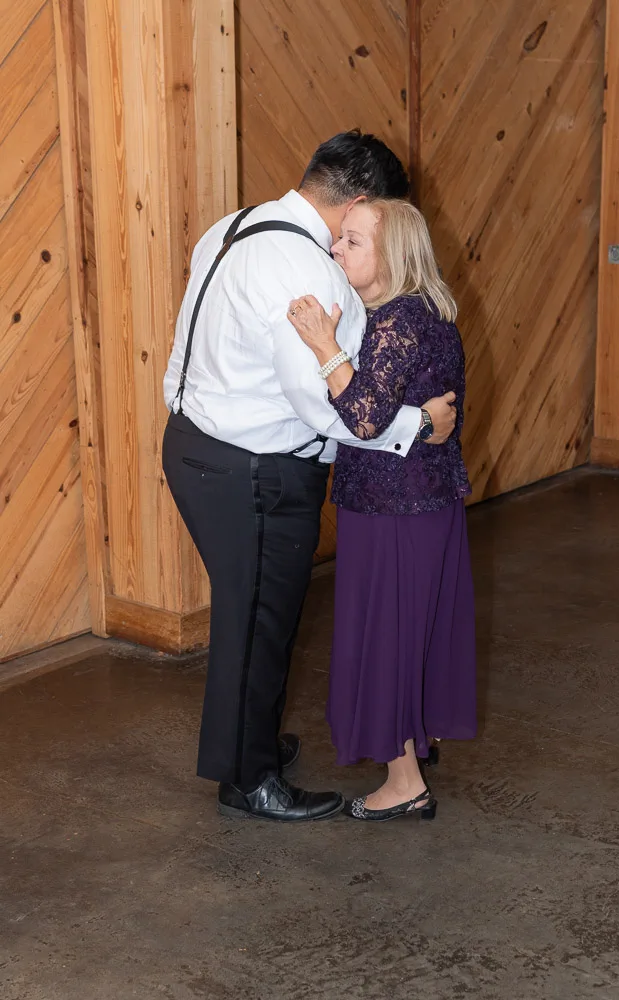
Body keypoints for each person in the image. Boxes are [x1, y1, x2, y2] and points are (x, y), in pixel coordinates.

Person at [161, 131, 458, 823]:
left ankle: (251, 742)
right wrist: (416, 426)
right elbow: (323, 405)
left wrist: (188, 412)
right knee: (259, 621)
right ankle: (249, 778)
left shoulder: (232, 226)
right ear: (361, 201)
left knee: (250, 612)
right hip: (256, 468)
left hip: (195, 443)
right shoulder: (307, 269)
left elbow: (182, 346)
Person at [287, 197, 477, 822]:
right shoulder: (424, 311)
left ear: (392, 253)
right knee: (412, 630)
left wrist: (323, 345)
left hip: (392, 507)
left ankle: (404, 783)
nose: (336, 249)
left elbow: (364, 417)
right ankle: (416, 742)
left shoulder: (399, 319)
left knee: (387, 637)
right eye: (339, 238)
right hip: (421, 501)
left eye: (353, 241)